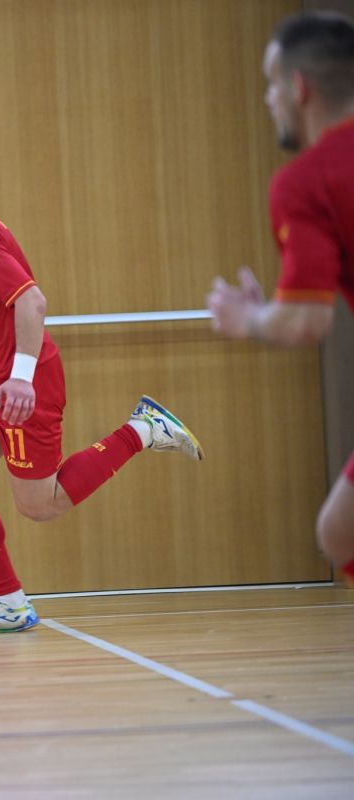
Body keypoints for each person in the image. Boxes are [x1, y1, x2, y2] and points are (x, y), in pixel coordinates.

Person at [0, 131, 203, 634]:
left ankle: (141, 430)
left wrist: (22, 379)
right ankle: (10, 606)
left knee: (39, 506)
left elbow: (32, 301)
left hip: (23, 381)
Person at [208, 11, 354, 583]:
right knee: (340, 530)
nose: (268, 99)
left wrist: (247, 317)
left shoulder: (307, 181)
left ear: (299, 87)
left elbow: (305, 322)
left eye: (271, 84)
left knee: (338, 533)